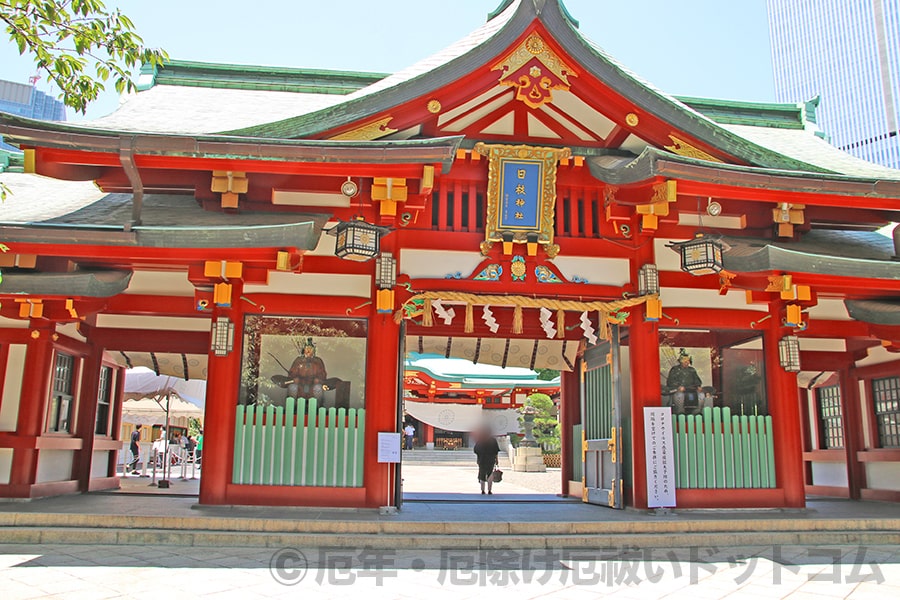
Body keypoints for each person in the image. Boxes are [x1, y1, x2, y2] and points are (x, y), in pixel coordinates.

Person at [666, 348, 703, 414]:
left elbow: (697, 380)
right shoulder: (675, 369)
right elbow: (670, 381)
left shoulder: (692, 370)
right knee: (680, 395)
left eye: (688, 361)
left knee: (701, 395)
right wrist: (678, 387)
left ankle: (697, 412)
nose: (686, 362)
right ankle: (681, 413)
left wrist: (698, 386)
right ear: (681, 361)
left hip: (692, 389)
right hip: (679, 390)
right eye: (684, 361)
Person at [473, 426, 500, 495]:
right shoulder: (493, 440)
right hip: (491, 459)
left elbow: (476, 450)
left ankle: (482, 490)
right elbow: (496, 451)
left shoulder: (480, 440)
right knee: (490, 474)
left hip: (482, 460)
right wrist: (497, 459)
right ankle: (489, 490)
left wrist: (478, 458)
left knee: (482, 474)